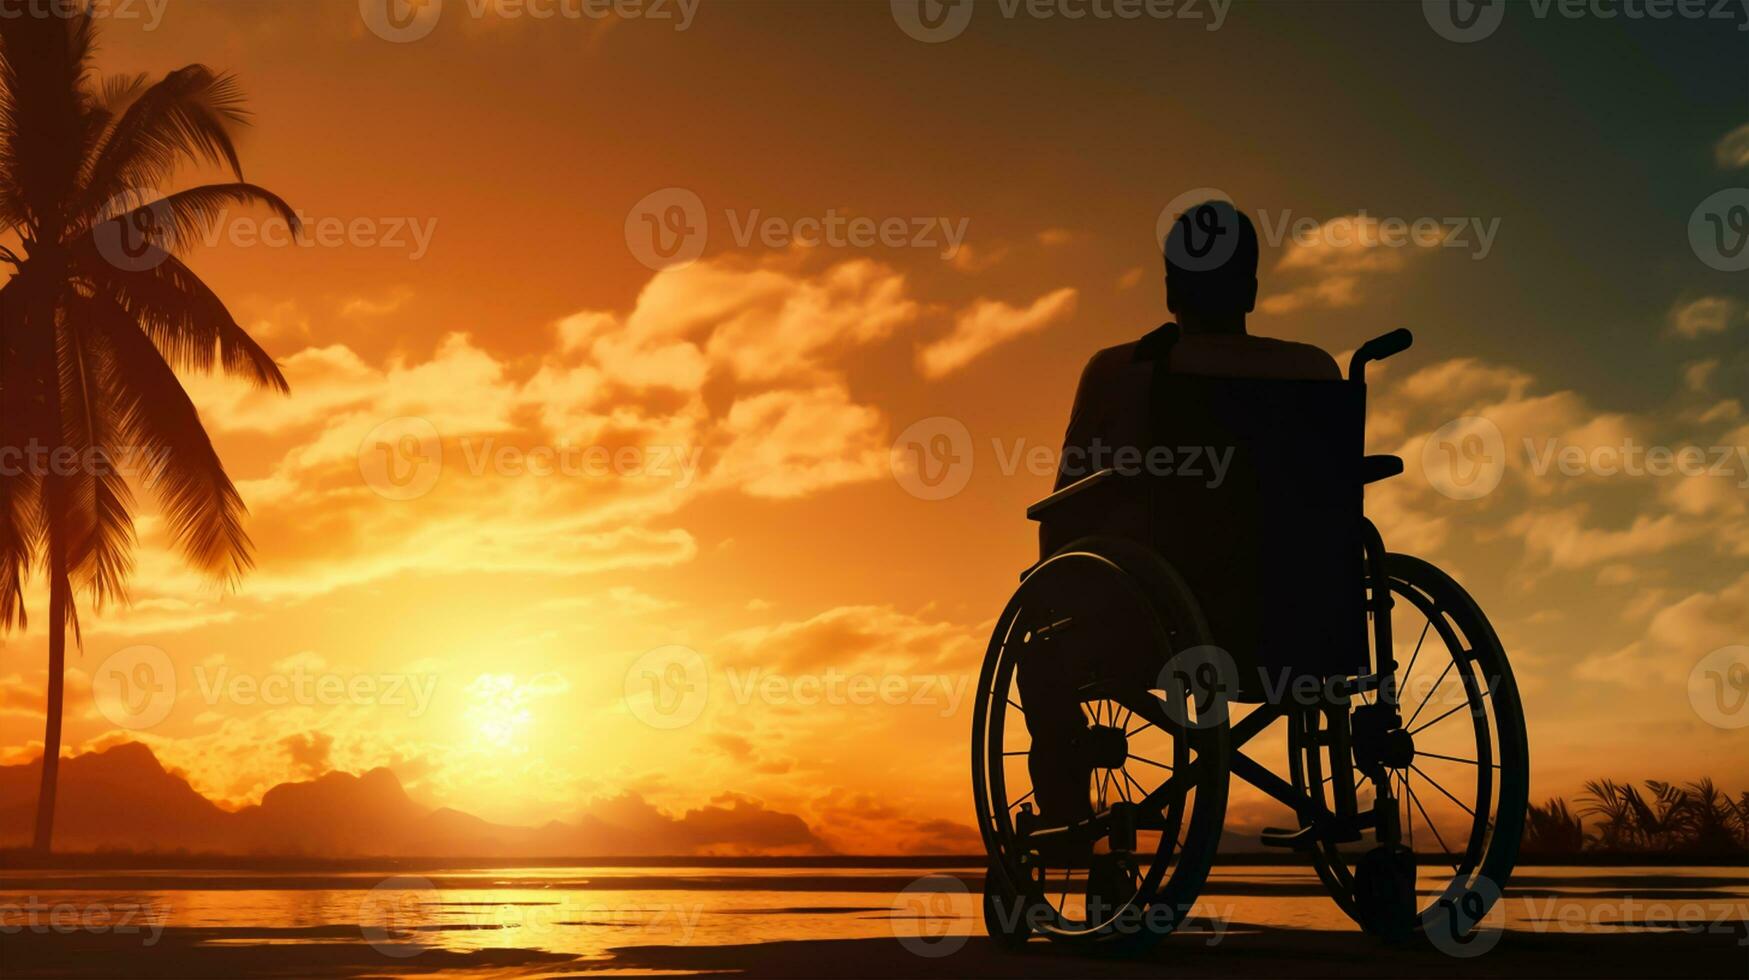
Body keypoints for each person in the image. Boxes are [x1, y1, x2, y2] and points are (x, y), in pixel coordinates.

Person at [1021, 200, 1342, 828]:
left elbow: (1071, 500)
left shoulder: (1125, 370)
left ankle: (1066, 820)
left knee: (1038, 653)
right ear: (1251, 286)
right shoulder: (1316, 371)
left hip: (1157, 633)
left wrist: (1053, 602)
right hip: (1302, 630)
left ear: (1170, 289)